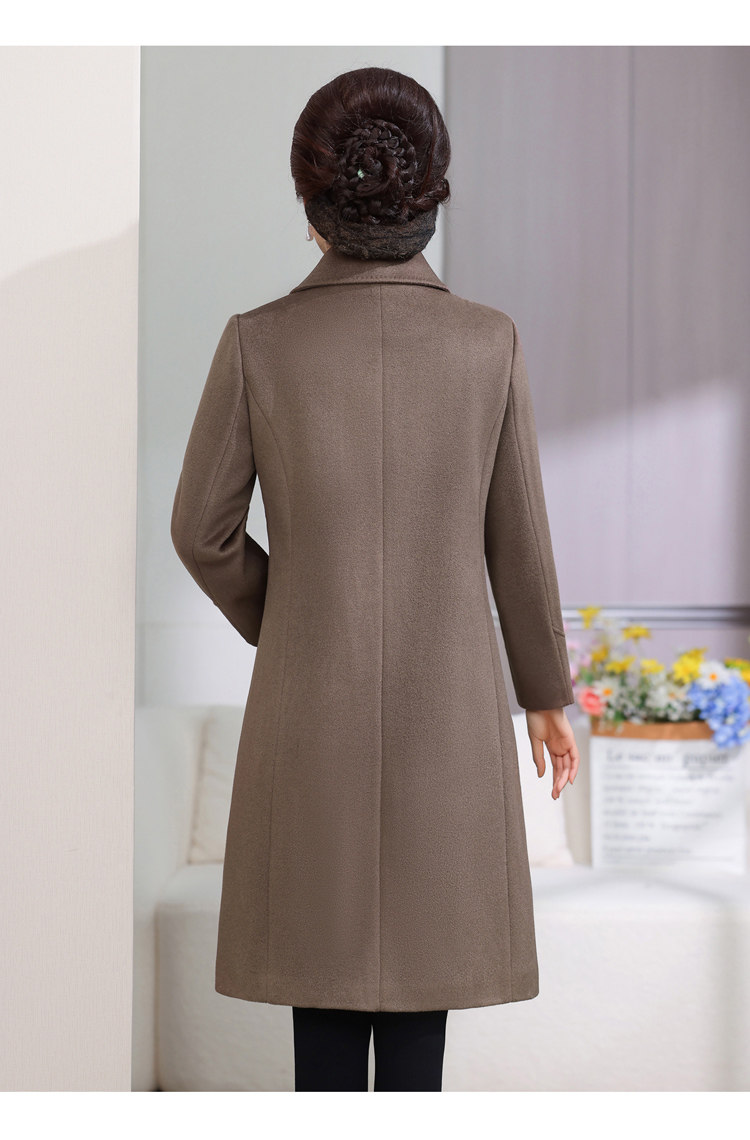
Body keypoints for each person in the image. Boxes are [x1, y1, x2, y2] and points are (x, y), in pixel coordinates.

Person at [171, 65, 580, 1093]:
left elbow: (201, 533)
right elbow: (520, 541)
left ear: (313, 207)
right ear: (427, 200)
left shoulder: (258, 343)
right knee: (419, 1022)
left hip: (311, 714)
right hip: (450, 720)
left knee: (321, 1007)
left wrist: (293, 618)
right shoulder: (488, 342)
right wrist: (545, 694)